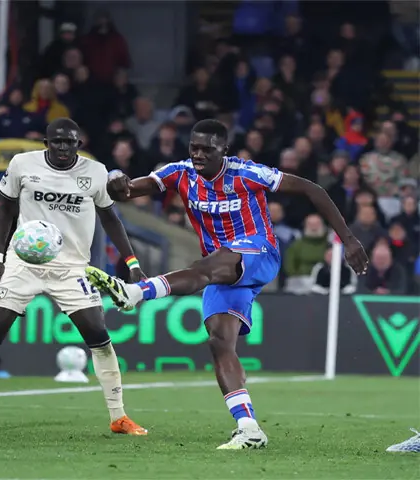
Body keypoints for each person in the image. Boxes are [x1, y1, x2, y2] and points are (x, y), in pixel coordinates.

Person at [84, 119, 369, 449]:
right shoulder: (179, 173)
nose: (198, 154)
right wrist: (117, 179)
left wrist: (348, 239)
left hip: (258, 252)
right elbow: (128, 190)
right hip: (222, 268)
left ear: (224, 150)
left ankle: (135, 292)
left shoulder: (247, 173)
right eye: (194, 148)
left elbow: (312, 189)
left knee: (204, 268)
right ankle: (249, 428)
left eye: (207, 149)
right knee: (220, 341)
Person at [0, 118, 147, 435]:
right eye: (57, 141)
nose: (63, 147)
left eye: (69, 142)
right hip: (23, 263)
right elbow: (6, 210)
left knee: (98, 333)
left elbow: (110, 219)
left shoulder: (95, 172)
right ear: (46, 143)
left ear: (78, 144)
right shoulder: (22, 164)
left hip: (71, 267)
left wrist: (132, 262)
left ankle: (119, 417)